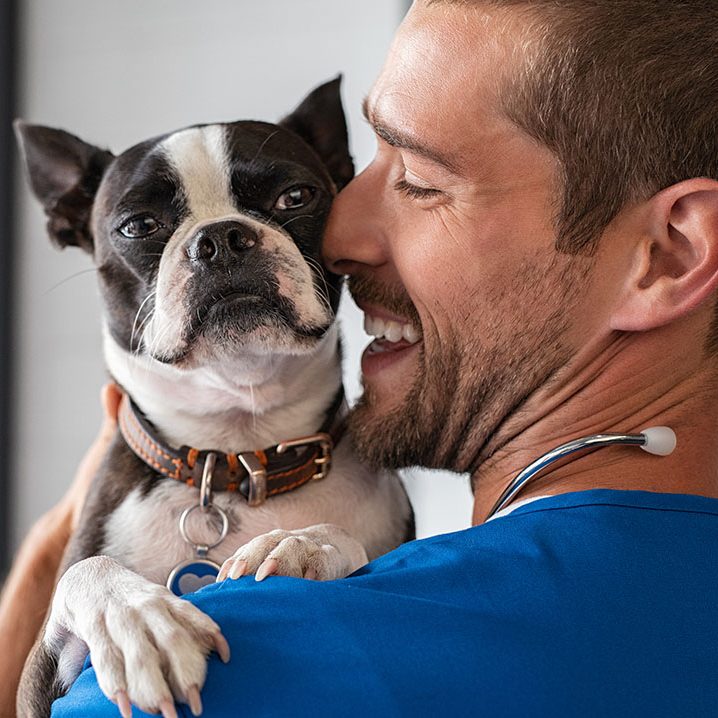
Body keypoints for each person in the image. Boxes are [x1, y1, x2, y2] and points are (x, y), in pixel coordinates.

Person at [5, 0, 718, 715]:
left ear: (668, 253)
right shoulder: (663, 591)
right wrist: (56, 563)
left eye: (420, 179)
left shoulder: (226, 669)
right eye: (362, 169)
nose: (340, 234)